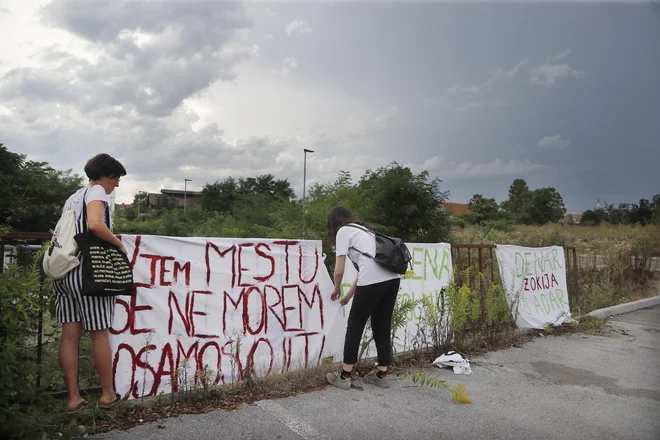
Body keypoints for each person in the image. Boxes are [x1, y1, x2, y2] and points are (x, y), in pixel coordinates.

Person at [52, 153, 128, 412]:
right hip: (89, 272)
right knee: (99, 333)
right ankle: (107, 394)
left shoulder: (73, 198)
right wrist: (119, 244)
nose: (116, 184)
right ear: (104, 175)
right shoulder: (97, 193)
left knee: (70, 336)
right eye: (115, 178)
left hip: (65, 272)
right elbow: (95, 225)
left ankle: (73, 398)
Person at [325, 206, 401, 390]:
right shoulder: (365, 231)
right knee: (381, 325)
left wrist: (336, 288)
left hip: (373, 282)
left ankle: (344, 376)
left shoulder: (343, 232)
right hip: (392, 278)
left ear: (333, 224)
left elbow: (339, 270)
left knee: (355, 325)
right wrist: (349, 295)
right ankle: (381, 375)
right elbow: (365, 269)